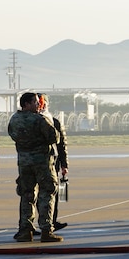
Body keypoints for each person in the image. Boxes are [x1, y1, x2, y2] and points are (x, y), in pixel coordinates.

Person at [7, 91, 61, 243]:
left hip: (24, 162)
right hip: (42, 162)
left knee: (27, 195)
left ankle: (25, 229)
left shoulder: (14, 119)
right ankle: (46, 229)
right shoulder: (39, 120)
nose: (38, 105)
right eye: (35, 102)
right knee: (46, 193)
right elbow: (54, 137)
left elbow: (13, 135)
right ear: (26, 104)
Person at [39, 94, 70, 232]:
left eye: (43, 102)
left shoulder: (54, 122)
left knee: (53, 194)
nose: (41, 105)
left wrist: (64, 164)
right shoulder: (32, 121)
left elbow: (62, 144)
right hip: (36, 163)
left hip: (53, 163)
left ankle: (52, 220)